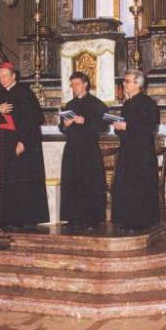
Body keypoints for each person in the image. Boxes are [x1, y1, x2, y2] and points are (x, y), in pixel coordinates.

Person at [0, 62, 48, 227]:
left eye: (5, 75)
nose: (2, 79)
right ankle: (5, 217)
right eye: (0, 76)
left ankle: (25, 218)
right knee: (5, 180)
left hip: (21, 144)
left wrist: (24, 142)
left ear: (14, 76)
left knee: (22, 180)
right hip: (2, 145)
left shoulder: (24, 93)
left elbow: (33, 120)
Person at [111, 70, 160, 231]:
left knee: (139, 186)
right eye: (124, 81)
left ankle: (141, 221)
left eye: (127, 81)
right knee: (126, 185)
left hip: (142, 153)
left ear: (138, 83)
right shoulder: (127, 104)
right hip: (127, 151)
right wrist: (118, 127)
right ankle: (126, 220)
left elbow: (149, 127)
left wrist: (127, 126)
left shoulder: (148, 104)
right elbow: (124, 128)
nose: (124, 84)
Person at [59, 72, 108, 229]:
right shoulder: (69, 105)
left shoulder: (97, 104)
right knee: (72, 182)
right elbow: (62, 127)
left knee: (89, 184)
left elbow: (104, 126)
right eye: (72, 85)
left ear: (85, 84)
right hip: (72, 149)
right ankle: (73, 218)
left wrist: (85, 120)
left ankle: (91, 219)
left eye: (77, 84)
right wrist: (64, 125)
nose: (74, 88)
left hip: (88, 150)